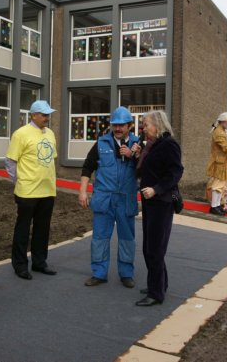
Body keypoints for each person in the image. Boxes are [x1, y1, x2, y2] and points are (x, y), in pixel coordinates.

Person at [78, 107, 139, 288]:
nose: (118, 129)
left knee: (127, 239)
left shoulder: (138, 144)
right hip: (104, 198)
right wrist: (83, 191)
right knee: (100, 238)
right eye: (115, 125)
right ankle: (99, 272)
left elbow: (145, 169)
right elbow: (87, 167)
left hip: (126, 199)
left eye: (122, 125)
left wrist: (134, 155)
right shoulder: (101, 143)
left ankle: (126, 273)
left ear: (130, 125)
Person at [5, 100, 58, 280]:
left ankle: (39, 262)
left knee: (43, 229)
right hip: (27, 191)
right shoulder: (21, 134)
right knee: (23, 229)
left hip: (48, 190)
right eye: (44, 115)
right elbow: (10, 162)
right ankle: (20, 265)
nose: (47, 118)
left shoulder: (50, 134)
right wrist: (19, 181)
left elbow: (52, 159)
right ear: (33, 115)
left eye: (48, 114)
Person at [136, 110, 183, 306]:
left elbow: (175, 172)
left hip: (161, 202)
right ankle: (158, 284)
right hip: (150, 202)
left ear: (157, 124)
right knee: (149, 247)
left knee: (154, 248)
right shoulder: (153, 145)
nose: (144, 129)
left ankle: (156, 294)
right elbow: (147, 170)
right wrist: (138, 155)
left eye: (146, 125)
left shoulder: (169, 144)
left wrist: (156, 189)